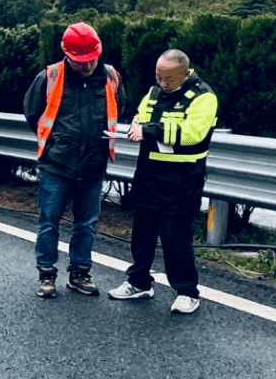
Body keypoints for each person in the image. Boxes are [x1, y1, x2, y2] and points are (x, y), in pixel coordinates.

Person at [108, 50, 218, 314]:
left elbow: (192, 134)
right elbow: (140, 116)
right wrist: (136, 127)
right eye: (159, 76)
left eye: (169, 78)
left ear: (185, 73)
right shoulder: (154, 92)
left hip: (181, 179)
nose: (163, 83)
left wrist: (148, 131)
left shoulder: (203, 97)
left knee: (174, 239)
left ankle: (187, 291)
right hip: (148, 174)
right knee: (141, 235)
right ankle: (139, 282)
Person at [24, 23, 122, 298]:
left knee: (86, 224)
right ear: (67, 55)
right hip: (57, 165)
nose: (87, 65)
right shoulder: (50, 76)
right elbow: (33, 112)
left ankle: (80, 273)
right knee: (48, 221)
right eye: (81, 61)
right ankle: (46, 275)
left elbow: (117, 109)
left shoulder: (111, 77)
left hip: (93, 165)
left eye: (91, 59)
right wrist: (56, 142)